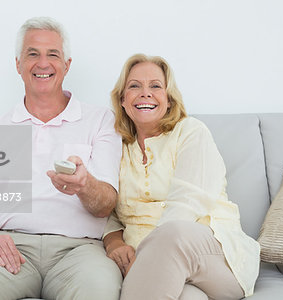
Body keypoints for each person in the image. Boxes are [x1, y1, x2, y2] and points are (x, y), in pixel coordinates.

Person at [0, 17, 123, 299]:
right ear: (18, 64)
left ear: (67, 65)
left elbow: (105, 204)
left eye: (53, 55)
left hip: (79, 252)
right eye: (32, 54)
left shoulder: (100, 121)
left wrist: (85, 185)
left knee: (99, 288)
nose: (42, 63)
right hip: (9, 248)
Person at [103, 54, 260, 300]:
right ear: (122, 99)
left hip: (213, 255)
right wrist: (114, 242)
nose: (145, 93)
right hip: (159, 267)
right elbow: (108, 207)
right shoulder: (116, 146)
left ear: (169, 99)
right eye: (134, 86)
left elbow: (187, 204)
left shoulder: (191, 132)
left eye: (155, 86)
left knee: (173, 234)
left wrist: (146, 257)